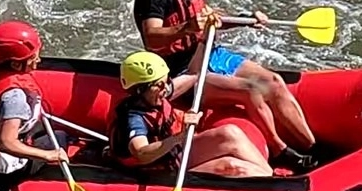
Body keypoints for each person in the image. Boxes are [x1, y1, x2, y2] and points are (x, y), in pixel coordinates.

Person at [132, 0, 321, 171]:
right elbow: (152, 36)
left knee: (273, 82)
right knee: (251, 90)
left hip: (211, 53)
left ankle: (313, 147)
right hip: (185, 72)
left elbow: (212, 21)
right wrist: (187, 27)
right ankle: (279, 150)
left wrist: (247, 19)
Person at [108, 51, 274, 177]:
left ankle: (271, 176)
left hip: (174, 153)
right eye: (159, 85)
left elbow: (193, 73)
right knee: (233, 166)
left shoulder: (155, 94)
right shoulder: (133, 118)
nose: (165, 89)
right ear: (140, 90)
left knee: (229, 133)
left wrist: (204, 37)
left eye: (166, 82)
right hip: (157, 170)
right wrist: (180, 136)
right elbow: (142, 153)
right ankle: (274, 188)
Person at [0, 21, 67, 177]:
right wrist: (50, 155)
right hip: (1, 164)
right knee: (61, 137)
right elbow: (7, 144)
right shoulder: (14, 97)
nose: (38, 60)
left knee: (44, 128)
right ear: (15, 65)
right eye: (33, 57)